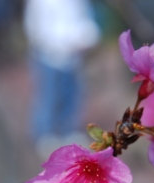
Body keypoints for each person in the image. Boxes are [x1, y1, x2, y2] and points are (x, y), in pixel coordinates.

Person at [23, 0, 100, 155]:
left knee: (70, 96)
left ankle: (68, 131)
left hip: (72, 57)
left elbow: (82, 20)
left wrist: (88, 37)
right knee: (49, 96)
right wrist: (56, 44)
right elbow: (36, 26)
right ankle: (45, 134)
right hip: (49, 56)